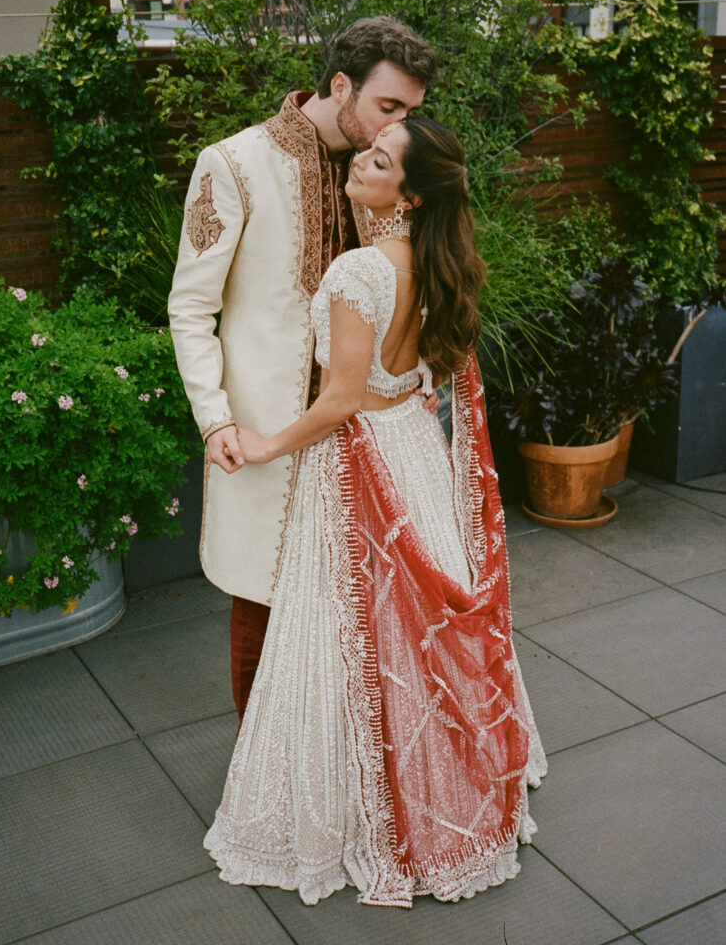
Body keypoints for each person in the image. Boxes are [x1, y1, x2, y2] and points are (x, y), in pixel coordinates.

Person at [203, 116, 547, 907]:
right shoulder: (438, 263)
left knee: (345, 631)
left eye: (380, 160)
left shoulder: (358, 271)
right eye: (368, 149)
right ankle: (438, 784)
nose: (361, 160)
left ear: (410, 193)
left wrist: (263, 446)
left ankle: (357, 810)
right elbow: (418, 376)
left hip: (358, 463)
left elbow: (340, 402)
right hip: (415, 452)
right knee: (411, 636)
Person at [168, 17, 438, 722]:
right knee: (260, 615)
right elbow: (190, 308)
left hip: (365, 442)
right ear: (340, 84)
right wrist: (214, 417)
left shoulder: (378, 175)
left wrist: (417, 374)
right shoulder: (231, 165)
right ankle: (266, 799)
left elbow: (403, 287)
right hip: (268, 434)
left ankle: (339, 787)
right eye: (389, 107)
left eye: (409, 113)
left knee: (358, 617)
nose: (396, 127)